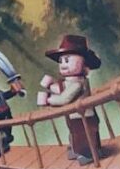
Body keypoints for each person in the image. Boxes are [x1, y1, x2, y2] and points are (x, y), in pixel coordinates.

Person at [35, 33, 106, 162]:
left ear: (84, 63)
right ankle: (77, 150)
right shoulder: (71, 81)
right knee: (74, 134)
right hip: (75, 116)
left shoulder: (78, 83)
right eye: (61, 61)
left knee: (84, 136)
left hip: (84, 117)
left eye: (67, 60)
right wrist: (51, 86)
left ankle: (88, 154)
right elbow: (63, 90)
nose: (63, 64)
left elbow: (65, 99)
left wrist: (48, 99)